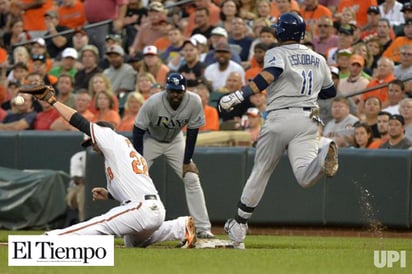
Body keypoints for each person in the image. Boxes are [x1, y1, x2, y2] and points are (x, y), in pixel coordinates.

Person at [20, 85, 196, 248]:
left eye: (92, 142)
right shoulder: (121, 152)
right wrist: (110, 194)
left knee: (101, 224)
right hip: (154, 210)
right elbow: (133, 184)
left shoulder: (110, 137)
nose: (92, 146)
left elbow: (78, 121)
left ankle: (51, 238)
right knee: (132, 242)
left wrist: (52, 101)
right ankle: (179, 227)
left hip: (141, 209)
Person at [218, 13, 338, 248]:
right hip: (308, 120)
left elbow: (268, 76)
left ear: (282, 32)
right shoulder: (319, 58)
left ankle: (239, 226)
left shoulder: (277, 52)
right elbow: (329, 93)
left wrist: (239, 94)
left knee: (261, 171)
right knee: (304, 176)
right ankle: (324, 153)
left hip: (280, 116)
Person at [132, 73, 215, 239]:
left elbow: (192, 132)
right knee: (134, 178)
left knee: (191, 178)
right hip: (152, 140)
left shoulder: (194, 101)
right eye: (172, 91)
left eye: (179, 91)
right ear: (166, 89)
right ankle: (129, 226)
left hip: (176, 141)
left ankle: (203, 228)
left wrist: (186, 161)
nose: (175, 94)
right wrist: (139, 159)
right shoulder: (153, 103)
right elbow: (138, 131)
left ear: (184, 90)